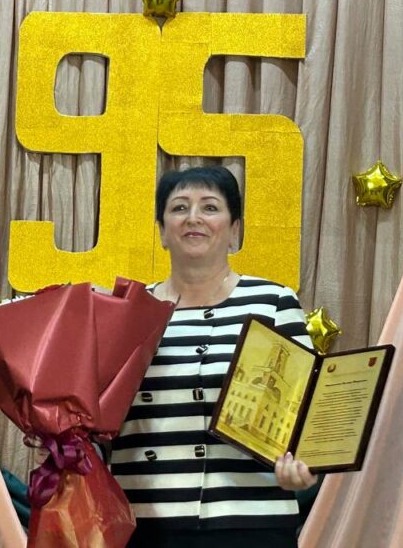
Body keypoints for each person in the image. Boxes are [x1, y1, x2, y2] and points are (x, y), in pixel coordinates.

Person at [111, 166, 317, 547]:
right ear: (162, 231)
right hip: (147, 521)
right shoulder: (129, 311)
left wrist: (306, 463)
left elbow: (305, 407)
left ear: (234, 230)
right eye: (179, 208)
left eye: (209, 207)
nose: (193, 218)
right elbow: (101, 418)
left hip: (252, 520)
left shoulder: (273, 302)